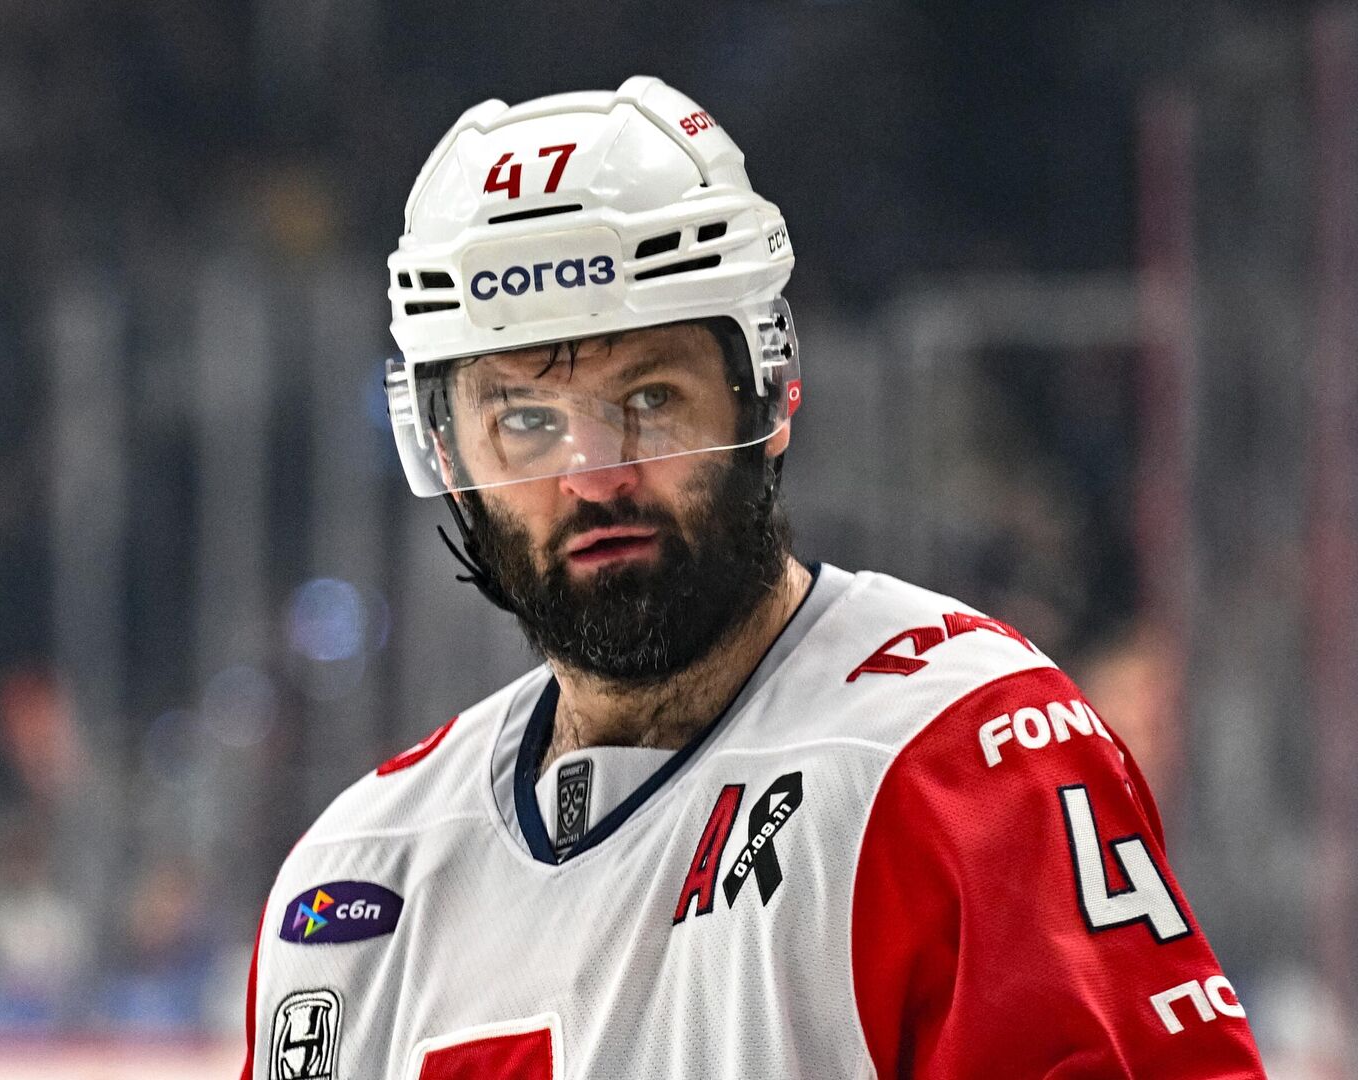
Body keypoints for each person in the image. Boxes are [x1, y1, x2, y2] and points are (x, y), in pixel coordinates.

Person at [242, 77, 1264, 1078]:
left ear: (765, 394)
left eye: (651, 398)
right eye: (526, 420)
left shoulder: (957, 757)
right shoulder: (354, 884)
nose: (595, 475)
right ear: (449, 459)